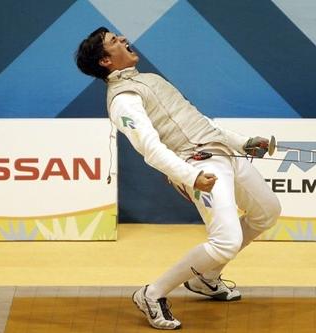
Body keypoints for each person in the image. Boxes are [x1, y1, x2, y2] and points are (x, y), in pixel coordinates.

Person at [75, 27, 281, 330]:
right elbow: (150, 148)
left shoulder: (150, 80)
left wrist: (242, 142)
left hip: (224, 153)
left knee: (267, 212)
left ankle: (206, 279)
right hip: (199, 164)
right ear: (105, 61)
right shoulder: (123, 99)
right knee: (225, 242)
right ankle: (151, 294)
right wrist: (191, 175)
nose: (122, 39)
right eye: (113, 41)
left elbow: (198, 122)